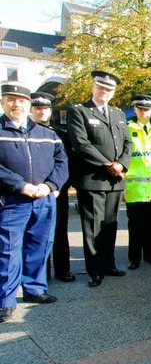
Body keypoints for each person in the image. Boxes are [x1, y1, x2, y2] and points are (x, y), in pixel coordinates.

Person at [0, 82, 68, 323]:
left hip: (44, 198)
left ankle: (35, 289)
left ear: (28, 104)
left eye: (21, 100)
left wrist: (50, 186)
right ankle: (6, 300)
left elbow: (62, 163)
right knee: (8, 251)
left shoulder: (47, 134)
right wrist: (21, 186)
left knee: (39, 245)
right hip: (12, 200)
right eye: (10, 99)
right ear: (3, 102)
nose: (16, 104)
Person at [67, 70, 131, 287]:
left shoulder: (118, 114)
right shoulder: (79, 111)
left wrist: (121, 164)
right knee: (93, 226)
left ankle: (109, 264)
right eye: (101, 87)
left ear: (113, 93)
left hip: (115, 180)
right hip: (93, 178)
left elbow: (127, 144)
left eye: (109, 89)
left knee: (111, 224)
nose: (105, 92)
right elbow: (81, 144)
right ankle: (94, 270)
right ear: (93, 87)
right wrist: (109, 165)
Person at [30, 92, 76, 283]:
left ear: (50, 110)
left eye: (45, 108)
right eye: (38, 108)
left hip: (58, 191)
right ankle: (41, 274)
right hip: (32, 192)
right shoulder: (26, 132)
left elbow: (67, 163)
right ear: (32, 110)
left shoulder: (60, 134)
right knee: (36, 235)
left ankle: (62, 269)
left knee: (59, 231)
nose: (42, 111)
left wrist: (58, 186)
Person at [124, 95, 151, 270]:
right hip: (135, 188)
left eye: (147, 109)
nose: (144, 112)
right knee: (135, 227)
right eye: (140, 109)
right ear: (135, 110)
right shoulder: (126, 128)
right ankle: (134, 258)